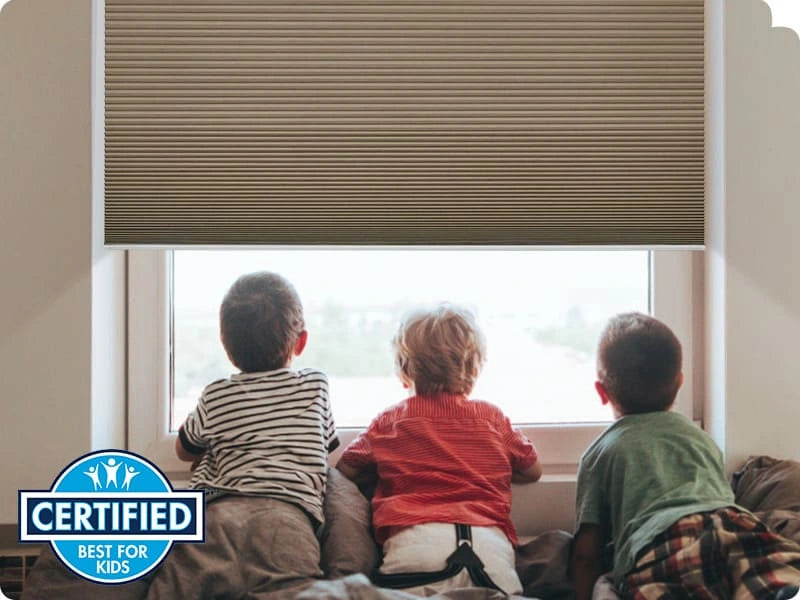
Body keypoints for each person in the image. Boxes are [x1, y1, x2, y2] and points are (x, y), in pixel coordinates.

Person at [571, 312, 800, 600]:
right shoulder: (700, 438)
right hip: (733, 526)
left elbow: (585, 553)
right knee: (772, 575)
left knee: (668, 587)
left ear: (601, 392)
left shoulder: (599, 453)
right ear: (680, 382)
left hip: (660, 543)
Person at [150, 271, 339, 597]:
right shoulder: (315, 386)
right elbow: (327, 447)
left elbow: (184, 449)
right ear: (302, 341)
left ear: (226, 345)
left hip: (216, 515)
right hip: (287, 518)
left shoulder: (217, 394)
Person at [337, 304, 541, 596]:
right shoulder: (491, 418)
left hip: (415, 545)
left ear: (405, 370)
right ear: (474, 367)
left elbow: (346, 469)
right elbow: (534, 470)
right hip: (489, 551)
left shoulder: (392, 419)